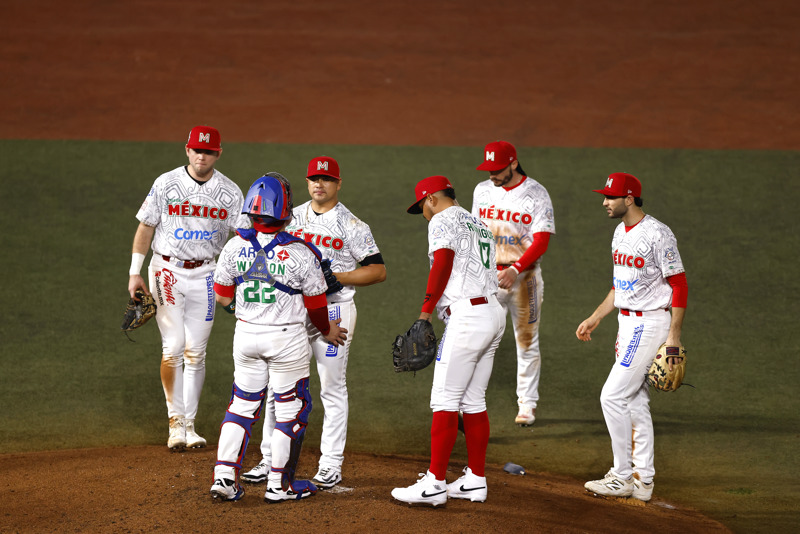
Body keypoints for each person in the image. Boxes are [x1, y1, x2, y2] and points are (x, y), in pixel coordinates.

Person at [241, 156, 386, 489]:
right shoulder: (291, 218)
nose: (319, 184)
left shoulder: (352, 225)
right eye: (314, 179)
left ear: (337, 183)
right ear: (307, 183)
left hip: (335, 312)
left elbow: (378, 270)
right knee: (280, 386)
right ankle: (269, 459)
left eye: (326, 179)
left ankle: (331, 463)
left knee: (331, 387)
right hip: (293, 313)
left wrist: (339, 276)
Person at [209, 173, 348, 502]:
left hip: (245, 336)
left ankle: (224, 478)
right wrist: (327, 330)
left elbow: (223, 295)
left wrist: (245, 311)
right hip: (285, 340)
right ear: (285, 212)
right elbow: (316, 307)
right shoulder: (301, 253)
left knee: (241, 406)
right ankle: (279, 485)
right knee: (291, 410)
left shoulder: (234, 246)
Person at [128, 125, 249, 450]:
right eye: (197, 149)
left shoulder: (230, 192)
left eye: (208, 151)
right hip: (166, 270)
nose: (201, 156)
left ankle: (190, 426)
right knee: (174, 345)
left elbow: (242, 238)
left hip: (207, 274)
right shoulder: (166, 183)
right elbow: (146, 226)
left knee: (196, 351)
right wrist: (134, 273)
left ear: (218, 154)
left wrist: (240, 277)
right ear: (187, 150)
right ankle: (175, 423)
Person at [391, 176, 505, 506]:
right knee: (473, 400)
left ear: (430, 200)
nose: (424, 215)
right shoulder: (479, 222)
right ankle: (475, 480)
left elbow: (442, 263)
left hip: (468, 317)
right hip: (493, 313)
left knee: (444, 398)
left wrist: (425, 313)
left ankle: (435, 483)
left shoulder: (442, 219)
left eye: (422, 208)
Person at [576, 172, 688, 502]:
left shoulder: (657, 233)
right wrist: (597, 316)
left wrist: (674, 337)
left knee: (612, 396)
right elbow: (619, 285)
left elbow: (679, 284)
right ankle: (643, 481)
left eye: (610, 197)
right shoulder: (618, 232)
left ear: (628, 199)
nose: (604, 202)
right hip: (626, 324)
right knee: (635, 402)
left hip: (650, 324)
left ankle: (622, 476)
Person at [472, 140, 555, 426]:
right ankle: (470, 401)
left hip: (525, 279)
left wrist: (516, 269)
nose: (492, 175)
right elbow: (475, 234)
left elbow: (542, 239)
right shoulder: (482, 191)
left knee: (527, 341)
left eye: (497, 169)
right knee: (480, 338)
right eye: (489, 169)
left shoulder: (536, 194)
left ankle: (527, 405)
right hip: (488, 277)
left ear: (513, 163)